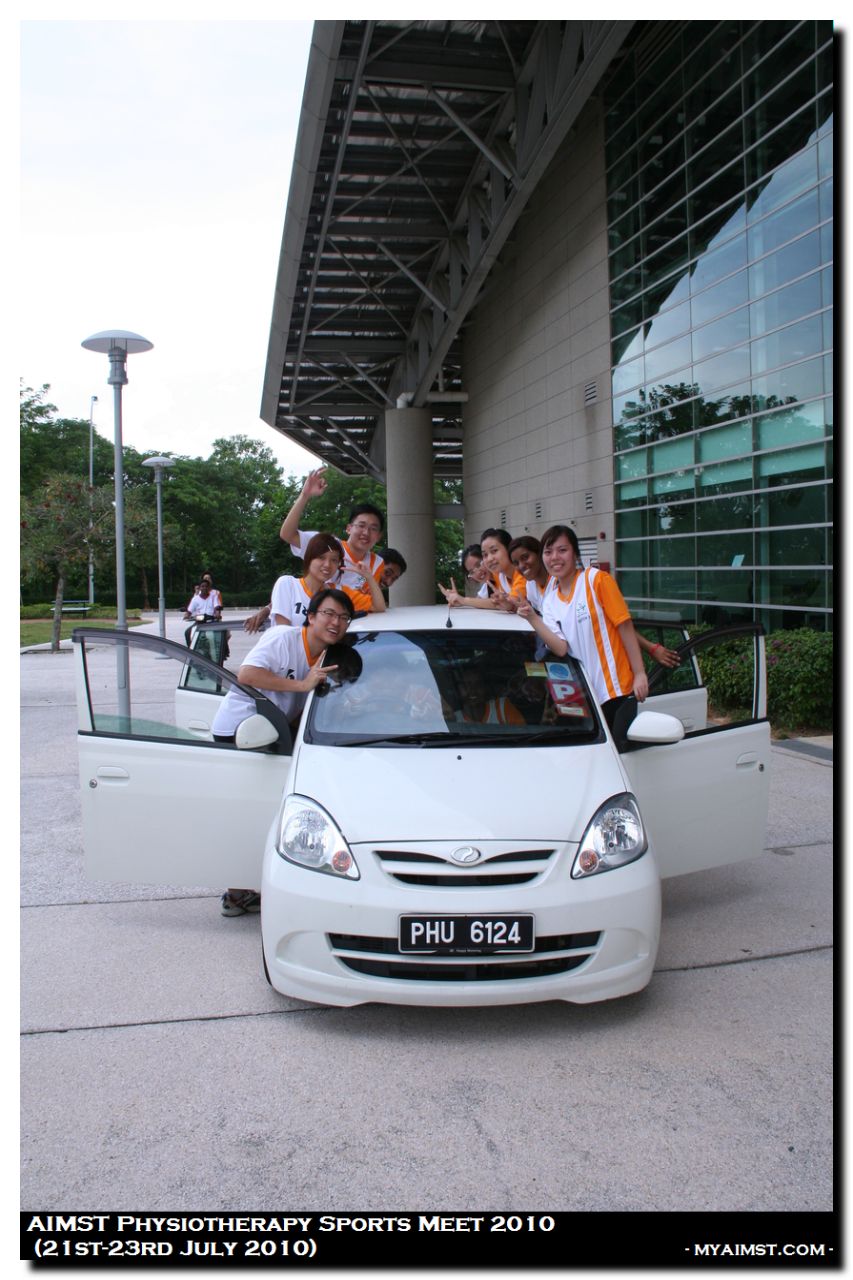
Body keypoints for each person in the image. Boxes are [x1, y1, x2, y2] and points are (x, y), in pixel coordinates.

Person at [213, 588, 354, 916]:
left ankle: (266, 884)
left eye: (343, 617)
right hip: (241, 731)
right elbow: (247, 675)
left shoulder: (329, 656)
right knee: (249, 813)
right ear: (311, 616)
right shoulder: (283, 638)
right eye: (329, 614)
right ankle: (235, 893)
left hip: (274, 729)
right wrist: (302, 685)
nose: (336, 622)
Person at [517, 524, 648, 737]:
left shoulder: (596, 579)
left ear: (575, 553)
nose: (555, 557)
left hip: (618, 691)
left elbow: (624, 626)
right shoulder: (549, 602)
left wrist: (640, 673)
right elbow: (560, 648)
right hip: (585, 700)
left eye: (562, 550)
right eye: (548, 552)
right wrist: (532, 617)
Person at [279, 467, 387, 611]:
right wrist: (305, 496)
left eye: (373, 528)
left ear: (379, 536)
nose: (366, 532)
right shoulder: (327, 544)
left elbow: (374, 604)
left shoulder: (376, 564)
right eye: (361, 525)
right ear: (349, 528)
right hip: (310, 610)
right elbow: (287, 534)